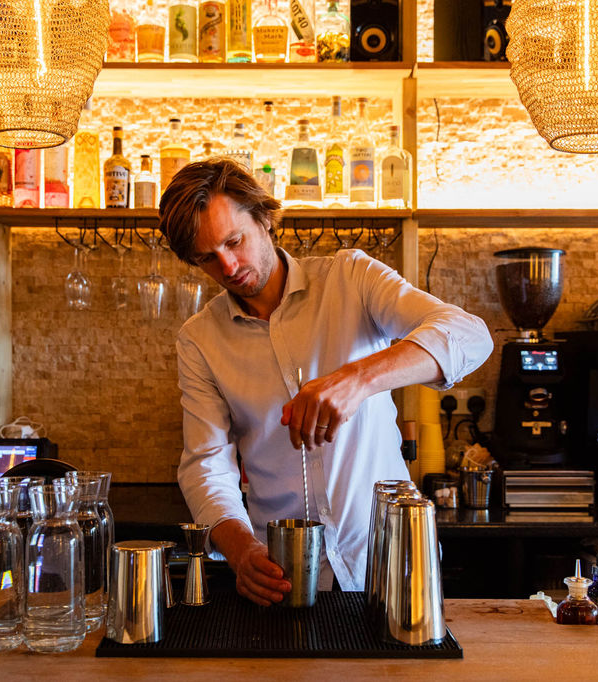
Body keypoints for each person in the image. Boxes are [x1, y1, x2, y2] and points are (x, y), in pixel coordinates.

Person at [158, 158, 492, 606]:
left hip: (387, 561)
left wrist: (358, 378)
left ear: (264, 218)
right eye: (207, 258)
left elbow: (470, 335)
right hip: (283, 573)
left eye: (234, 241)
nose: (229, 265)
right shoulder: (200, 339)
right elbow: (205, 465)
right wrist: (241, 552)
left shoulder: (350, 278)